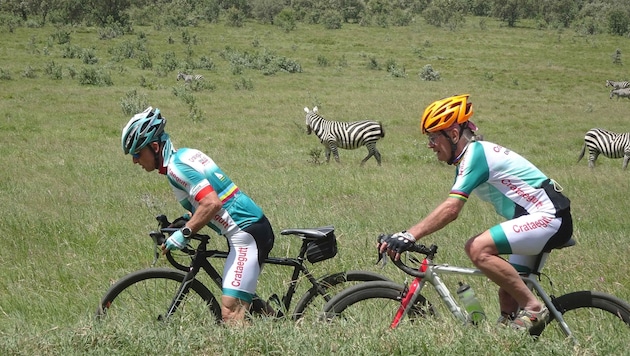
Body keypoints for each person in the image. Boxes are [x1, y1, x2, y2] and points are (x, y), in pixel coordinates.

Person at [378, 94, 572, 332]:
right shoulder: (468, 158)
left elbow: (451, 209)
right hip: (541, 218)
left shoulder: (476, 154)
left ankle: (534, 308)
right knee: (509, 293)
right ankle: (506, 339)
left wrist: (409, 235)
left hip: (549, 217)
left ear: (454, 134)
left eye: (433, 137)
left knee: (476, 248)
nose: (430, 145)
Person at [121, 106, 275, 325]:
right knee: (240, 296)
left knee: (230, 314)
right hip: (246, 229)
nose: (135, 160)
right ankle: (280, 324)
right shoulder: (183, 156)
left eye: (137, 153)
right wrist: (182, 223)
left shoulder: (177, 168)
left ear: (154, 147)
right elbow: (199, 204)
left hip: (246, 233)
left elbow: (212, 203)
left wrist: (185, 233)